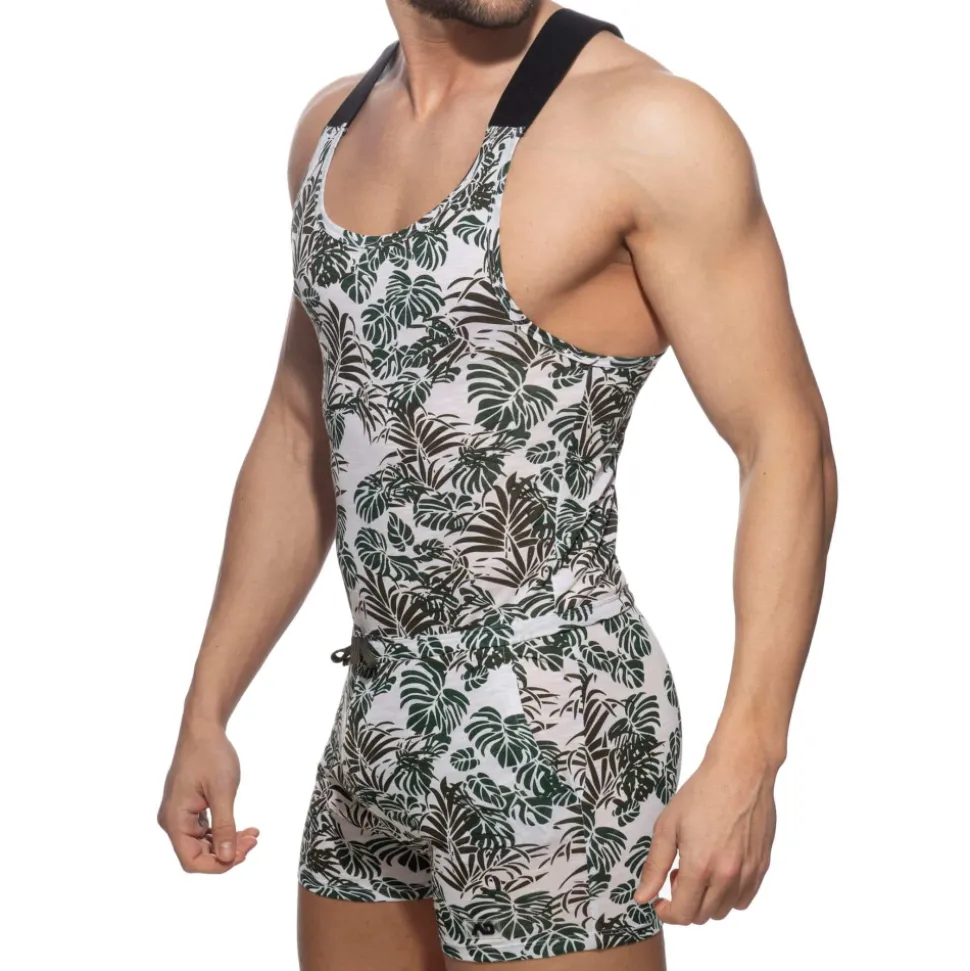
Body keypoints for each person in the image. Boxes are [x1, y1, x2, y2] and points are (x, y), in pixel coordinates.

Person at [157, 2, 838, 968]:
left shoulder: (646, 124)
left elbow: (785, 440)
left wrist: (751, 751)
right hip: (375, 711)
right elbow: (303, 426)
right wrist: (207, 705)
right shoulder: (330, 129)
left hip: (557, 719)